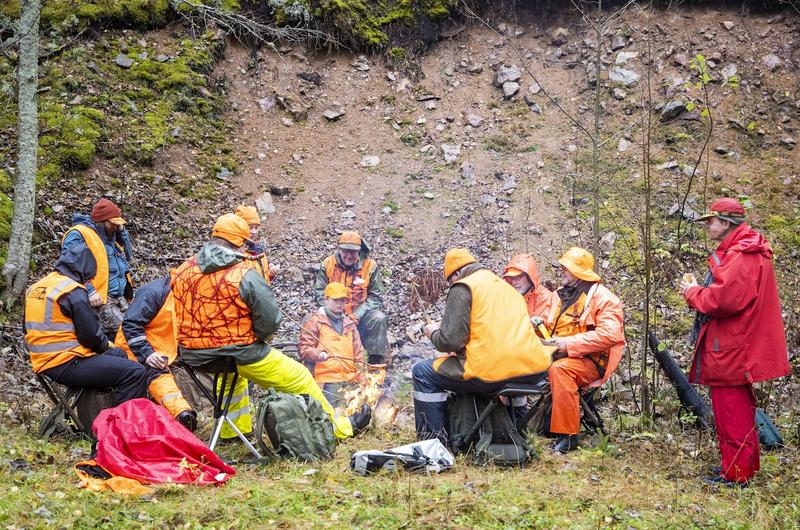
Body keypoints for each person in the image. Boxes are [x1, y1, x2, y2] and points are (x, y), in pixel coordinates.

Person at [171, 214, 371, 442]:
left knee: (230, 379)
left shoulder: (184, 269)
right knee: (300, 376)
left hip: (193, 357)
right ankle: (339, 429)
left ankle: (232, 433)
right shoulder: (244, 274)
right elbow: (270, 321)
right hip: (239, 353)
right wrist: (256, 338)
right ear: (240, 242)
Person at [680, 198, 789, 487]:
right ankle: (739, 467)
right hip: (736, 343)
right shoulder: (745, 251)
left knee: (731, 411)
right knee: (735, 408)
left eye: (711, 221)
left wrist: (692, 291)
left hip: (731, 346)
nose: (707, 226)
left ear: (726, 223)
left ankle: (737, 474)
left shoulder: (742, 255)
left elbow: (722, 301)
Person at [411, 248, 551, 446]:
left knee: (422, 372)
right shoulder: (507, 289)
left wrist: (433, 333)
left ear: (456, 273)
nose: (451, 284)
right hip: (533, 370)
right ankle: (519, 437)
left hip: (489, 374)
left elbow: (450, 341)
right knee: (509, 370)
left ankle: (432, 444)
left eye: (450, 280)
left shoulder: (464, 287)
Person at [24, 247, 154, 408]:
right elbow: (90, 336)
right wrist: (105, 345)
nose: (90, 281)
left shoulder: (37, 287)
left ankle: (100, 410)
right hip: (65, 363)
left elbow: (27, 328)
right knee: (135, 373)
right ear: (85, 270)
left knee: (119, 355)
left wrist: (108, 348)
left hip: (43, 360)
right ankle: (122, 421)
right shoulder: (72, 290)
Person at [539, 247, 624, 453]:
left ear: (578, 271)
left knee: (561, 370)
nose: (561, 270)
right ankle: (518, 427)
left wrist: (567, 344)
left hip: (590, 361)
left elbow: (610, 335)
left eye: (566, 268)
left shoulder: (604, 298)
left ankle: (567, 436)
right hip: (556, 353)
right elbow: (550, 326)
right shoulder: (559, 295)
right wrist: (537, 326)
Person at [114, 276, 197, 431]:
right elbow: (131, 324)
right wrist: (147, 353)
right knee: (157, 372)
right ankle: (182, 413)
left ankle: (185, 412)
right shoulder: (153, 292)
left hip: (164, 346)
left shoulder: (189, 293)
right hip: (134, 347)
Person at [61, 198, 134, 336]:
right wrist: (90, 291)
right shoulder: (79, 234)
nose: (116, 226)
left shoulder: (113, 237)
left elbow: (129, 256)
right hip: (100, 297)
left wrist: (122, 232)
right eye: (114, 223)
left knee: (137, 326)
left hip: (120, 297)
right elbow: (70, 266)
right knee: (125, 333)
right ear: (102, 221)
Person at [314, 231, 387, 365]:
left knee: (379, 318)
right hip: (334, 317)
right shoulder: (328, 264)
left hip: (360, 318)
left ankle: (374, 363)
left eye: (353, 252)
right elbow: (320, 294)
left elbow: (376, 297)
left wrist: (356, 315)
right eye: (345, 251)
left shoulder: (370, 266)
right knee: (312, 320)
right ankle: (321, 361)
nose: (348, 256)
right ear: (339, 249)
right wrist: (335, 315)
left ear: (359, 251)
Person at [299, 282, 365, 408]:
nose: (340, 303)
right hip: (327, 380)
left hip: (350, 379)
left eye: (342, 300)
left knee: (363, 410)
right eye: (335, 300)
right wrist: (319, 354)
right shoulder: (315, 322)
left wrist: (361, 378)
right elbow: (304, 349)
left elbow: (358, 356)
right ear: (326, 300)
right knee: (335, 413)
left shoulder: (350, 324)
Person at [234, 205, 279, 283]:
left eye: (256, 228)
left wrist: (270, 274)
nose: (254, 232)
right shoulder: (235, 253)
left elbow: (262, 280)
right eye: (250, 228)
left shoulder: (259, 250)